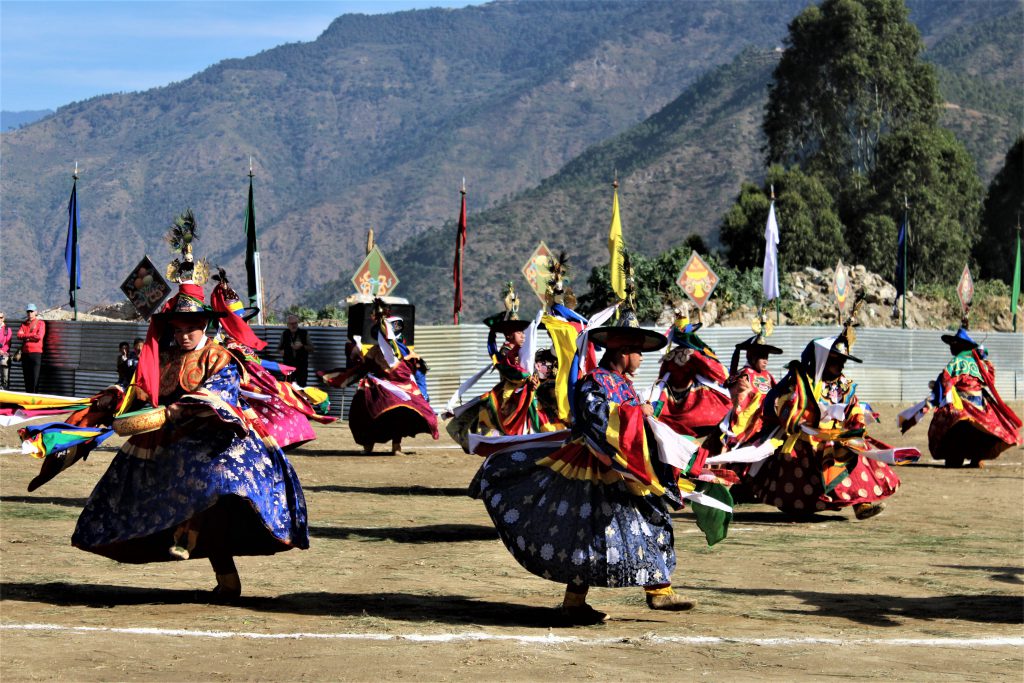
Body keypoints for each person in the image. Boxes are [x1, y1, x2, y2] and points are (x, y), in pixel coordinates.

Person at [54, 210, 307, 600]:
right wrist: (115, 398)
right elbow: (143, 391)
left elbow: (219, 395)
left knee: (216, 484)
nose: (185, 334)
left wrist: (178, 411)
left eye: (192, 327)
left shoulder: (221, 356)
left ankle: (207, 557)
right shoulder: (164, 358)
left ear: (205, 325)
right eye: (179, 328)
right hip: (169, 437)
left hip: (220, 438)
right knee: (133, 486)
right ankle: (190, 550)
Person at [470, 305, 732, 625]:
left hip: (625, 471)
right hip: (593, 473)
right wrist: (638, 415)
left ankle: (656, 592)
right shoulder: (595, 382)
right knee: (587, 536)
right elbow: (597, 420)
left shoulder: (622, 383)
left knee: (646, 521)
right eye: (638, 352)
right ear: (623, 351)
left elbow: (635, 429)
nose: (642, 359)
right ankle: (585, 602)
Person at [750, 322, 902, 520]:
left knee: (856, 454)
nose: (840, 366)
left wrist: (856, 425)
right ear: (823, 359)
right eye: (835, 361)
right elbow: (784, 404)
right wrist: (802, 420)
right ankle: (802, 505)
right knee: (802, 483)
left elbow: (854, 407)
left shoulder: (845, 384)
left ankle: (861, 503)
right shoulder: (803, 382)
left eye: (842, 362)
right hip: (807, 438)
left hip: (837, 436)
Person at [322, 300, 438, 455]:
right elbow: (361, 369)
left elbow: (419, 373)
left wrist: (423, 392)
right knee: (363, 403)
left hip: (402, 391)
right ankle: (368, 445)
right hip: (381, 388)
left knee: (399, 412)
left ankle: (396, 447)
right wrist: (340, 377)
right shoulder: (375, 352)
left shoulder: (407, 354)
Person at [926, 324, 1022, 467]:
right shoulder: (981, 364)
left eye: (954, 343)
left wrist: (937, 387)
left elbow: (947, 381)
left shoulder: (957, 362)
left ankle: (955, 457)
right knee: (984, 428)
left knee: (945, 422)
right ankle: (977, 457)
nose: (951, 346)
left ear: (960, 346)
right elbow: (987, 381)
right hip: (980, 403)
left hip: (962, 402)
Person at [655, 317, 731, 438]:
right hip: (696, 405)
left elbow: (661, 378)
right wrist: (728, 375)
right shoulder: (694, 354)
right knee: (727, 409)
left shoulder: (670, 356)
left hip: (673, 407)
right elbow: (716, 371)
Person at [17, 304, 45, 393]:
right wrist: (31, 335)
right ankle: (28, 397)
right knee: (27, 377)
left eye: (31, 311)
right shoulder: (24, 324)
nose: (30, 313)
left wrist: (26, 336)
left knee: (35, 377)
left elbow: (39, 337)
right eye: (28, 311)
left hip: (36, 354)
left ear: (36, 312)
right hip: (25, 354)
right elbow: (19, 335)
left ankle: (34, 397)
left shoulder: (40, 323)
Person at [277, 315, 313, 385]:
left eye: (295, 323)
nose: (294, 325)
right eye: (291, 324)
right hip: (288, 367)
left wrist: (302, 346)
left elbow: (312, 348)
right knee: (288, 388)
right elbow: (279, 349)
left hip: (302, 367)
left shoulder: (304, 333)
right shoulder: (284, 334)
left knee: (302, 388)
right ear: (287, 325)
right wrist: (283, 352)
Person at [0, 312, 12, 390]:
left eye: (1, 317)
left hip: (4, 356)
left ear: (3, 318)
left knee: (5, 377)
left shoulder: (8, 329)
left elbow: (8, 343)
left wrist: (2, 350)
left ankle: (5, 390)